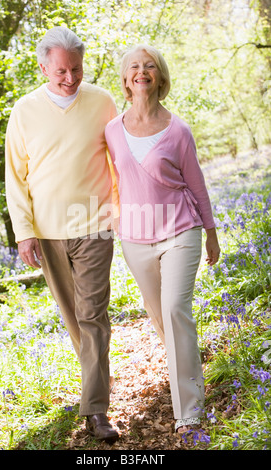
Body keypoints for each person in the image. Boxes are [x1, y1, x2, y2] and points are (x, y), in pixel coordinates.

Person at [5, 26, 119, 443]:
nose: (70, 79)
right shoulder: (24, 110)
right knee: (75, 321)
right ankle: (99, 383)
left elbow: (120, 159)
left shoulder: (102, 102)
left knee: (93, 318)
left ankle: (97, 410)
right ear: (43, 67)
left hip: (95, 227)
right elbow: (15, 178)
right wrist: (24, 232)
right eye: (61, 72)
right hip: (48, 233)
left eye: (76, 69)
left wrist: (120, 210)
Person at [105, 44, 220, 434]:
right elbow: (108, 179)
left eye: (149, 66)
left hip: (180, 231)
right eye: (134, 67)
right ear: (125, 80)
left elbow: (197, 184)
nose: (142, 72)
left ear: (160, 77)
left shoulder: (179, 129)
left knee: (174, 309)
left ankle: (189, 410)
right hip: (135, 237)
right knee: (159, 317)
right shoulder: (112, 131)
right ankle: (185, 362)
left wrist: (211, 233)